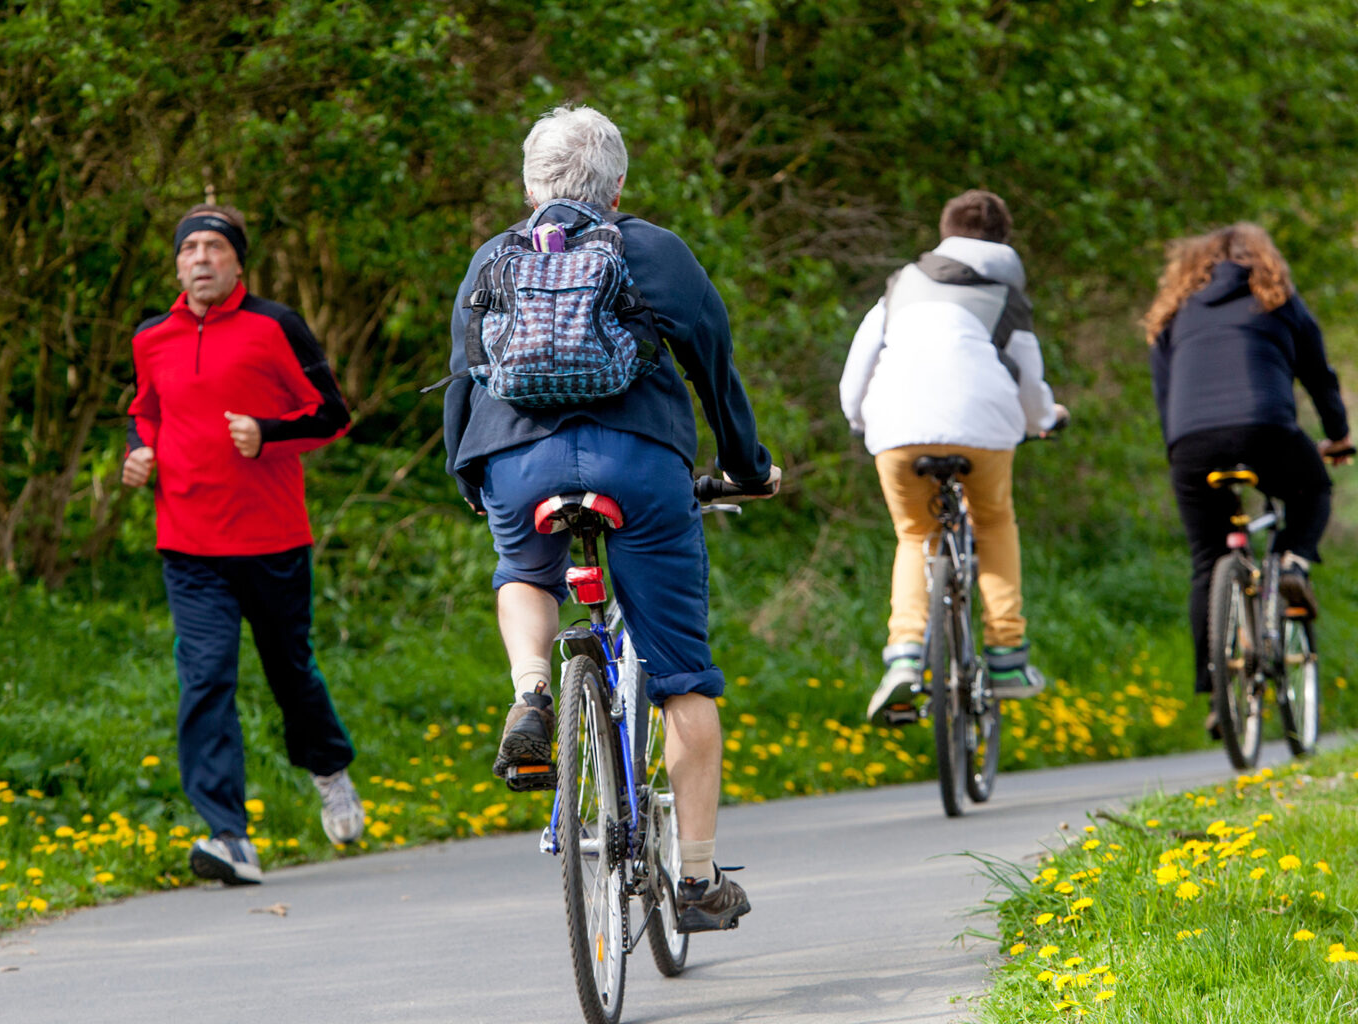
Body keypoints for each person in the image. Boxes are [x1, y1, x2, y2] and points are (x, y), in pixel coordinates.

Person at [442, 106, 780, 932]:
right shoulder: (657, 252)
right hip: (641, 468)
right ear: (619, 184)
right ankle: (697, 882)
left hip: (518, 468)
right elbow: (714, 370)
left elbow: (462, 378)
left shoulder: (494, 258)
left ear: (529, 186)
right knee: (683, 682)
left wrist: (472, 478)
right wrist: (743, 464)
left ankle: (530, 694)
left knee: (524, 572)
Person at [123, 203, 364, 886]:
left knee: (291, 673)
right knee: (205, 680)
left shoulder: (275, 325)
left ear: (237, 262)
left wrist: (268, 434)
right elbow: (145, 412)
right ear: (176, 263)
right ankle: (227, 835)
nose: (200, 259)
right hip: (189, 544)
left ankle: (328, 767)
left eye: (213, 248)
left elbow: (333, 413)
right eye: (189, 249)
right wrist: (140, 452)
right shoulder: (151, 339)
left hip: (272, 539)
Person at [840, 189, 1067, 725]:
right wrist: (1045, 421)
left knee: (915, 535)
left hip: (897, 428)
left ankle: (903, 657)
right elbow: (1031, 384)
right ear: (1004, 241)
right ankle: (1007, 656)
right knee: (992, 523)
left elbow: (857, 371)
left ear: (944, 232)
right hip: (983, 430)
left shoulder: (901, 285)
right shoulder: (1006, 295)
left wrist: (859, 418)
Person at [1143, 222, 1350, 732]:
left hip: (1191, 442)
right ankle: (1293, 564)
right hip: (1267, 430)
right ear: (1263, 259)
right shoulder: (1278, 299)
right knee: (1313, 489)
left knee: (1207, 561)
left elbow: (1164, 394)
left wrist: (1181, 447)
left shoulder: (1173, 312)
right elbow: (1319, 377)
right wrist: (1338, 437)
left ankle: (1218, 695)